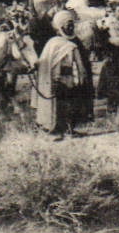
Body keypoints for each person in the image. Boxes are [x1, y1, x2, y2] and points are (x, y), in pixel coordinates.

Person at [35, 10, 92, 139]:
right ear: (61, 27)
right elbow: (47, 64)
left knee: (71, 105)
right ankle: (55, 131)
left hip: (71, 80)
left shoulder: (73, 43)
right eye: (67, 24)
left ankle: (69, 130)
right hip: (57, 80)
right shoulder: (53, 43)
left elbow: (79, 64)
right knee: (59, 106)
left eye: (72, 24)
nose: (70, 27)